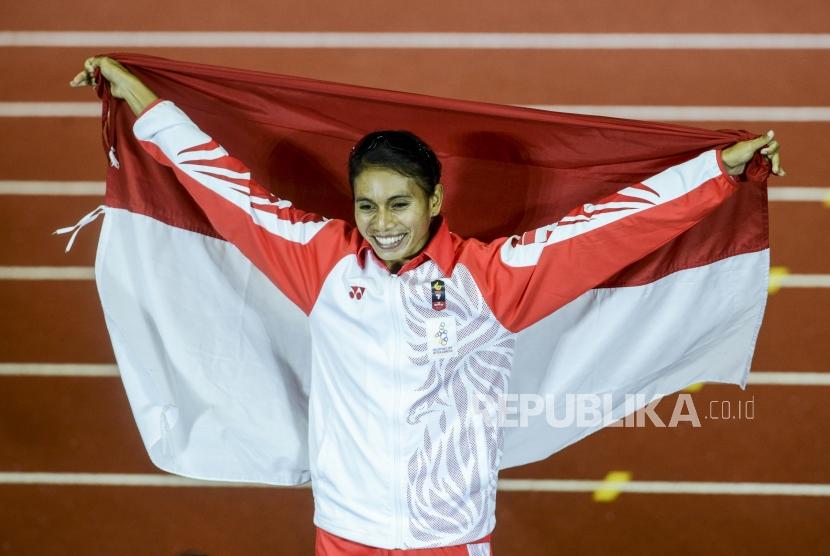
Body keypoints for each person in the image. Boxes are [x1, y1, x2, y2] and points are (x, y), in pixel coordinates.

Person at [71, 56, 783, 556]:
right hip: (344, 533)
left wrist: (715, 172)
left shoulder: (491, 280)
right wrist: (144, 103)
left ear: (435, 201)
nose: (383, 222)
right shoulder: (320, 263)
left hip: (448, 540)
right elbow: (229, 192)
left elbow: (605, 230)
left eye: (400, 203)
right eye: (368, 204)